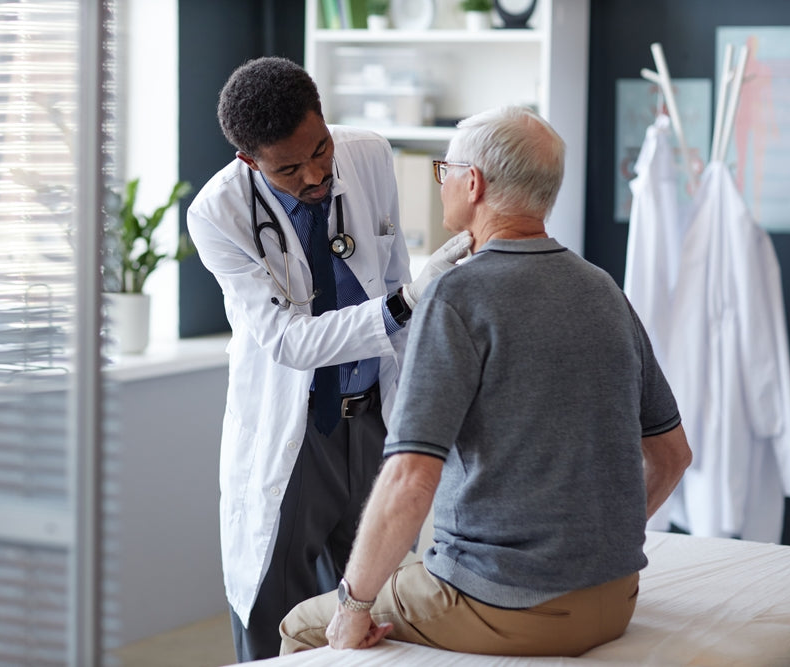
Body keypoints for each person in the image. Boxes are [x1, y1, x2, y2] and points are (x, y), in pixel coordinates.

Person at [279, 105, 693, 657]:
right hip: (616, 598)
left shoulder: (457, 297)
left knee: (305, 625)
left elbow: (409, 480)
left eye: (444, 169)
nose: (442, 180)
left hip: (502, 604)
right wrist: (592, 550)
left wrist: (354, 608)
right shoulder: (603, 290)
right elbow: (672, 456)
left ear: (472, 183)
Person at [185, 56, 471, 662]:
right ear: (250, 161)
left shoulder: (367, 154)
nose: (315, 174)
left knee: (369, 609)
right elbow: (290, 342)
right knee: (275, 616)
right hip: (297, 435)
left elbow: (391, 273)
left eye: (320, 150)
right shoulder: (218, 213)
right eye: (289, 168)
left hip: (372, 421)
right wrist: (406, 301)